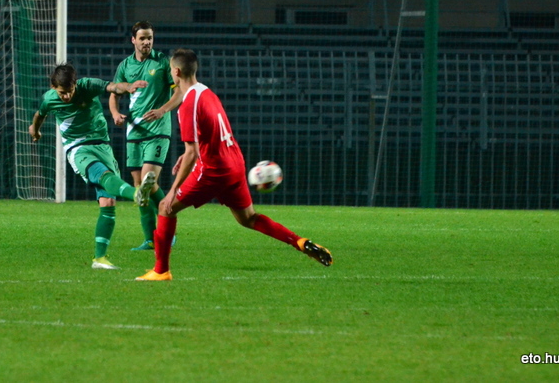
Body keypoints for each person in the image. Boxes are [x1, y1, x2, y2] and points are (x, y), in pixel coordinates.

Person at [136, 49, 333, 281]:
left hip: (214, 170)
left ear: (176, 72)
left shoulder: (188, 104)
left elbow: (192, 152)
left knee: (165, 207)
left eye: (171, 70)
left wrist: (172, 191)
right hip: (235, 164)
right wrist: (191, 154)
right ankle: (300, 242)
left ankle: (161, 271)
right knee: (248, 218)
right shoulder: (206, 92)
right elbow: (207, 136)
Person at [29, 63, 157, 270]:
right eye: (62, 93)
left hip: (102, 145)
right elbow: (39, 114)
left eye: (70, 91)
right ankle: (135, 194)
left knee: (108, 202)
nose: (66, 96)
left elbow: (112, 87)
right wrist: (35, 130)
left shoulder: (87, 86)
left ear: (75, 84)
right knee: (102, 174)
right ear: (53, 88)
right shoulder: (49, 98)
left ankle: (99, 258)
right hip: (77, 148)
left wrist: (128, 86)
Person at [109, 21, 182, 251]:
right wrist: (115, 114)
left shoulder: (162, 62)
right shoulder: (125, 65)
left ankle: (168, 230)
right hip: (134, 131)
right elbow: (114, 93)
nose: (147, 42)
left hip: (158, 131)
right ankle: (150, 239)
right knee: (140, 186)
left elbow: (179, 92)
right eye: (142, 38)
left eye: (149, 37)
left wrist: (162, 110)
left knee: (148, 182)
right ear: (133, 40)